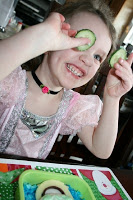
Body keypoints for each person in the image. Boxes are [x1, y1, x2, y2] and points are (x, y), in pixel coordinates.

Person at [0, 0, 133, 160]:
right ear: (50, 41)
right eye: (80, 41)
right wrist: (38, 38)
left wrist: (112, 98)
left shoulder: (72, 106)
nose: (87, 60)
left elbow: (101, 150)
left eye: (97, 57)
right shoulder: (11, 81)